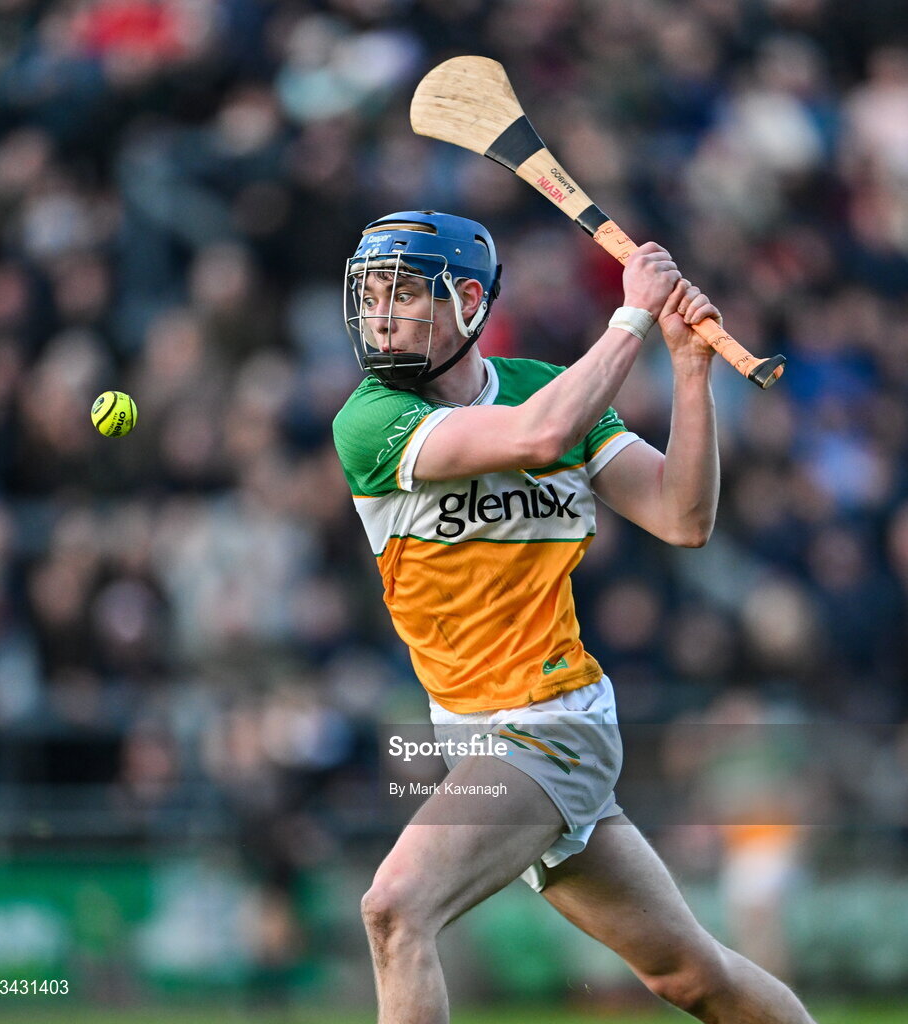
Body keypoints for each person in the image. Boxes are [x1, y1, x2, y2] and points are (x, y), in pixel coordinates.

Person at [332, 210, 816, 1024]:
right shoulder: (371, 420)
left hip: (551, 724)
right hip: (469, 734)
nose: (382, 313)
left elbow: (679, 517)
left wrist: (689, 372)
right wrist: (631, 316)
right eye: (373, 292)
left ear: (470, 301)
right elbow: (536, 436)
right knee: (689, 976)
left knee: (394, 909)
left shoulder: (551, 390)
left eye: (407, 292)